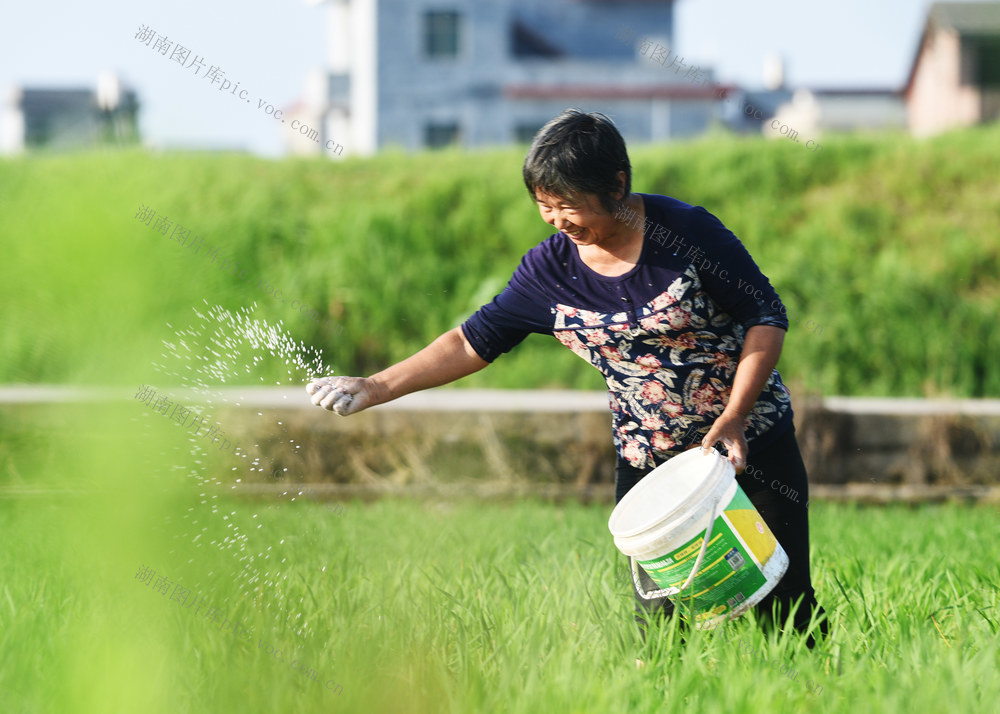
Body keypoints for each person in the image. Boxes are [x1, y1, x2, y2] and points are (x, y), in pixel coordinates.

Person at [307, 109, 827, 645]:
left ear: (618, 185)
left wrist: (735, 415)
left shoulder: (687, 234)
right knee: (661, 629)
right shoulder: (549, 272)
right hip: (652, 467)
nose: (556, 219)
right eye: (544, 206)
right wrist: (374, 387)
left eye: (568, 205)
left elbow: (765, 316)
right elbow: (470, 341)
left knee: (786, 609)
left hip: (748, 445)